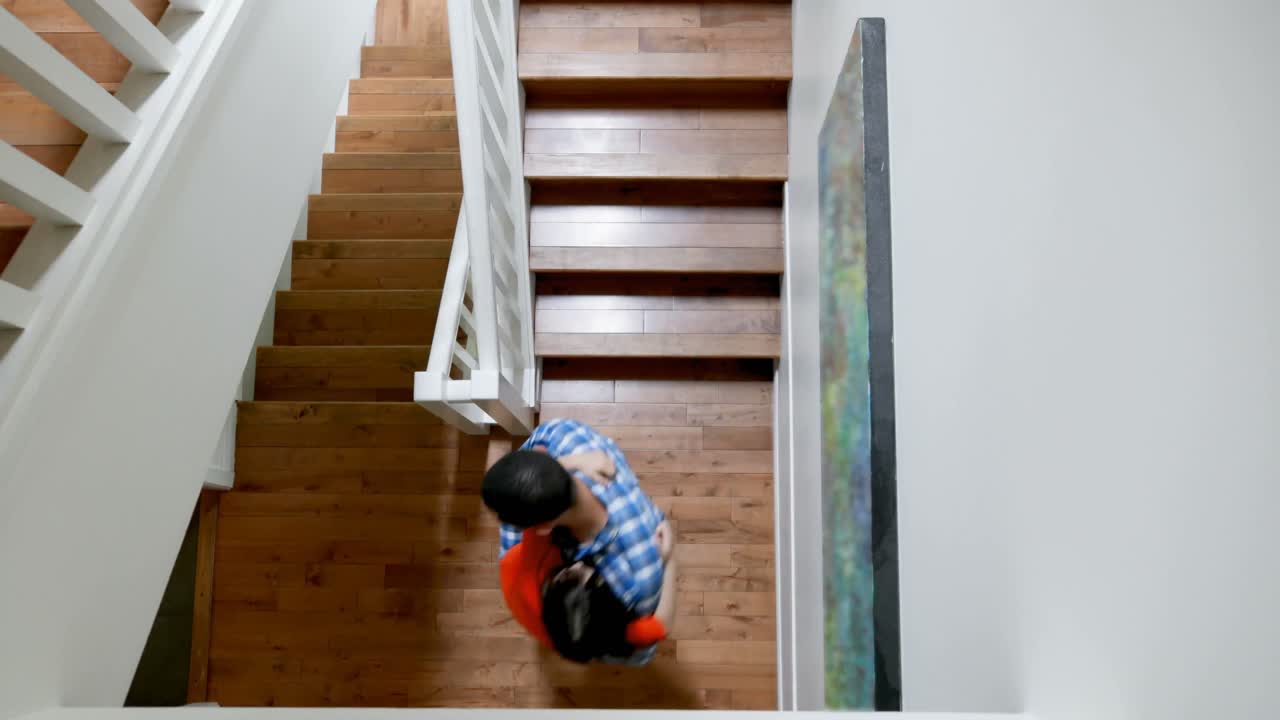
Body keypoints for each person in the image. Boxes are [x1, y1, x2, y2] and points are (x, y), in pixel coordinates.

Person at [483, 418, 677, 664]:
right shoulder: (565, 434)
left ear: (543, 528)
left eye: (563, 574)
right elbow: (527, 464)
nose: (576, 565)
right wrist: (571, 461)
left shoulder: (636, 581)